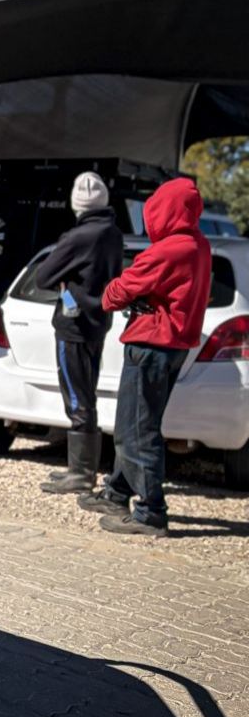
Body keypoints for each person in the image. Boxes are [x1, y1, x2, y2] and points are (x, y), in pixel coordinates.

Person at [78, 177, 211, 537]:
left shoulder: (167, 250)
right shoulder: (199, 245)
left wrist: (124, 290)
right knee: (137, 422)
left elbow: (114, 294)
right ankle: (118, 491)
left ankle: (151, 511)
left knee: (136, 430)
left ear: (164, 210)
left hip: (151, 345)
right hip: (175, 345)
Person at [35, 173, 125, 494]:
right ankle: (81, 469)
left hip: (73, 326)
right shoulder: (113, 234)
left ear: (77, 203)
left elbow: (43, 277)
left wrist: (64, 278)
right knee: (87, 391)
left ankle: (82, 473)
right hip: (99, 322)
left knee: (76, 396)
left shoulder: (76, 237)